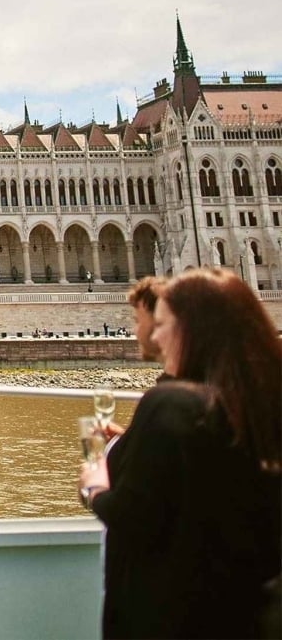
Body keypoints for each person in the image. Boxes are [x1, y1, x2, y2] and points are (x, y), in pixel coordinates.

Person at [78, 268, 281, 638]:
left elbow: (132, 515)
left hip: (176, 614)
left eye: (162, 323)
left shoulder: (169, 404)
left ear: (193, 329)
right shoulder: (257, 406)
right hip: (248, 614)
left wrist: (94, 484)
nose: (155, 334)